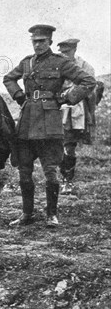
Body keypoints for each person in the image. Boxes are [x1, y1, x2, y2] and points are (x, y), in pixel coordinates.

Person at [3, 25, 96, 227]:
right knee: (24, 169)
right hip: (27, 123)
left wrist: (67, 98)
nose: (38, 45)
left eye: (42, 41)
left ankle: (51, 215)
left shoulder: (60, 62)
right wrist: (20, 97)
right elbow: (9, 78)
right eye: (35, 41)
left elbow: (88, 81)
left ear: (50, 42)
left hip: (50, 123)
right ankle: (27, 214)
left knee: (50, 169)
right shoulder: (26, 63)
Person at [57, 39, 97, 195]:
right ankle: (63, 177)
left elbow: (91, 89)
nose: (64, 55)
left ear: (74, 50)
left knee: (70, 146)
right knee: (59, 146)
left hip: (76, 112)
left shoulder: (85, 67)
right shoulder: (57, 65)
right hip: (59, 110)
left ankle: (68, 181)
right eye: (62, 52)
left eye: (67, 52)